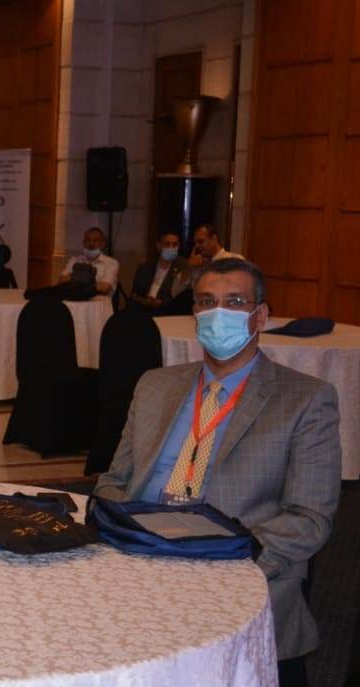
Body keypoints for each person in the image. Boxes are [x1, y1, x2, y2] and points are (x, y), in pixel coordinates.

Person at [94, 257, 340, 663]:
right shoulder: (155, 385)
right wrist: (130, 537)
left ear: (260, 316)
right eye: (207, 302)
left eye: (235, 302)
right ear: (195, 313)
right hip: (140, 557)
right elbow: (113, 482)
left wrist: (224, 558)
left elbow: (310, 519)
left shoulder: (305, 400)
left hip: (232, 571)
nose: (218, 314)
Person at [126, 231, 191, 313]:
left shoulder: (183, 266)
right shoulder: (144, 268)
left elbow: (181, 297)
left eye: (174, 244)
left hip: (168, 314)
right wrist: (144, 301)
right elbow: (134, 296)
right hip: (144, 312)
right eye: (167, 244)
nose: (171, 248)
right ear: (158, 245)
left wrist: (160, 303)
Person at [58, 226, 118, 295]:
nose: (91, 244)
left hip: (98, 301)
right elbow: (61, 281)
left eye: (95, 240)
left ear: (102, 244)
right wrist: (93, 283)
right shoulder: (74, 260)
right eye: (88, 240)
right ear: (83, 243)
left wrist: (75, 278)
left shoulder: (111, 263)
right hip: (73, 299)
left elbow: (104, 288)